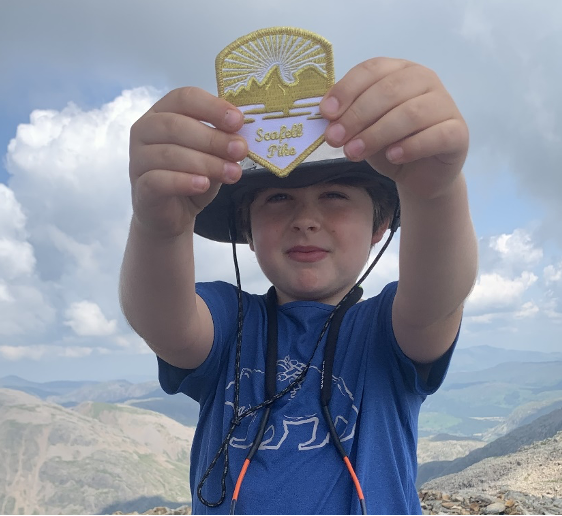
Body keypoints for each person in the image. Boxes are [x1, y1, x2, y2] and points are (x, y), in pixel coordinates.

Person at [120, 56, 478, 515]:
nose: (306, 219)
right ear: (248, 231)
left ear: (379, 226)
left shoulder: (387, 331)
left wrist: (436, 193)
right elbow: (163, 321)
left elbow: (439, 296)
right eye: (278, 198)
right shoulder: (230, 322)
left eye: (334, 195)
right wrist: (160, 231)